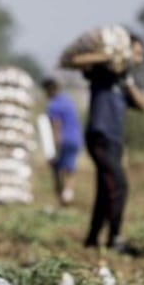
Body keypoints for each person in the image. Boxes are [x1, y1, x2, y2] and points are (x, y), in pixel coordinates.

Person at [70, 33, 144, 254]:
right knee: (119, 185)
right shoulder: (103, 72)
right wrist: (111, 55)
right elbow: (76, 61)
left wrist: (128, 80)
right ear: (126, 49)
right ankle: (114, 239)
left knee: (107, 189)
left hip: (114, 141)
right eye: (137, 52)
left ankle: (92, 239)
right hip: (99, 136)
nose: (140, 58)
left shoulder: (125, 80)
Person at [41, 77, 83, 206]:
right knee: (70, 168)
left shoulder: (53, 105)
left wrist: (54, 147)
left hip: (62, 140)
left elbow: (56, 125)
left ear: (49, 90)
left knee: (56, 169)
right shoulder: (68, 101)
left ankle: (62, 197)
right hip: (75, 139)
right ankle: (68, 193)